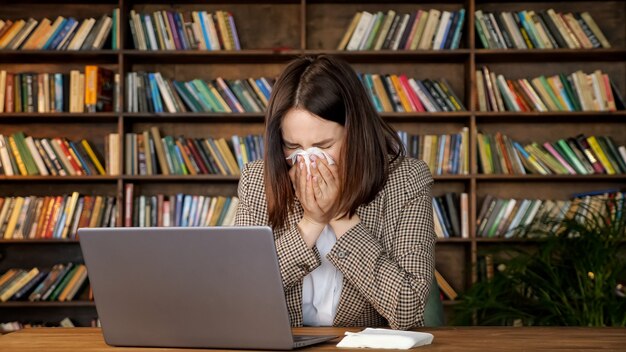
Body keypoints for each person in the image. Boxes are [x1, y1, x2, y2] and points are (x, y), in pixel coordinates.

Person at [234, 55, 435, 330]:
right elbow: (240, 296)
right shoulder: (258, 181)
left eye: (323, 144)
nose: (308, 160)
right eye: (293, 146)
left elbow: (407, 309)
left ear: (355, 134)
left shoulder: (405, 180)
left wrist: (340, 215)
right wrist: (312, 223)